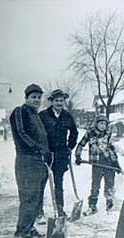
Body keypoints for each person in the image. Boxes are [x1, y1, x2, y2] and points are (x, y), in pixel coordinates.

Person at [9, 84, 50, 238]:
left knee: (36, 197)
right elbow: (20, 133)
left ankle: (29, 227)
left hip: (38, 162)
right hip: (26, 161)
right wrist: (37, 148)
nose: (37, 100)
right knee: (28, 197)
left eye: (39, 97)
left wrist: (47, 152)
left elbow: (42, 137)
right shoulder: (19, 112)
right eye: (33, 97)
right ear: (26, 98)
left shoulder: (36, 115)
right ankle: (21, 232)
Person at [36, 89, 79, 223]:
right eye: (57, 101)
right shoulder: (43, 115)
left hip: (61, 155)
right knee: (41, 183)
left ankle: (60, 209)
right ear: (52, 101)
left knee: (58, 183)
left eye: (61, 101)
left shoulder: (67, 116)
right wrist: (42, 150)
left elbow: (74, 133)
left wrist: (69, 147)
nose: (59, 103)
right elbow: (37, 133)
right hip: (47, 155)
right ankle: (39, 212)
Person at [75, 114, 121, 215]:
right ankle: (92, 206)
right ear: (96, 124)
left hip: (109, 162)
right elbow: (81, 144)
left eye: (105, 124)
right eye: (101, 123)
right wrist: (78, 156)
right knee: (95, 185)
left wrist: (116, 163)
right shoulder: (90, 133)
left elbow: (112, 149)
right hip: (97, 162)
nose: (103, 126)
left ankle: (110, 205)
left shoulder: (108, 134)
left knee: (109, 183)